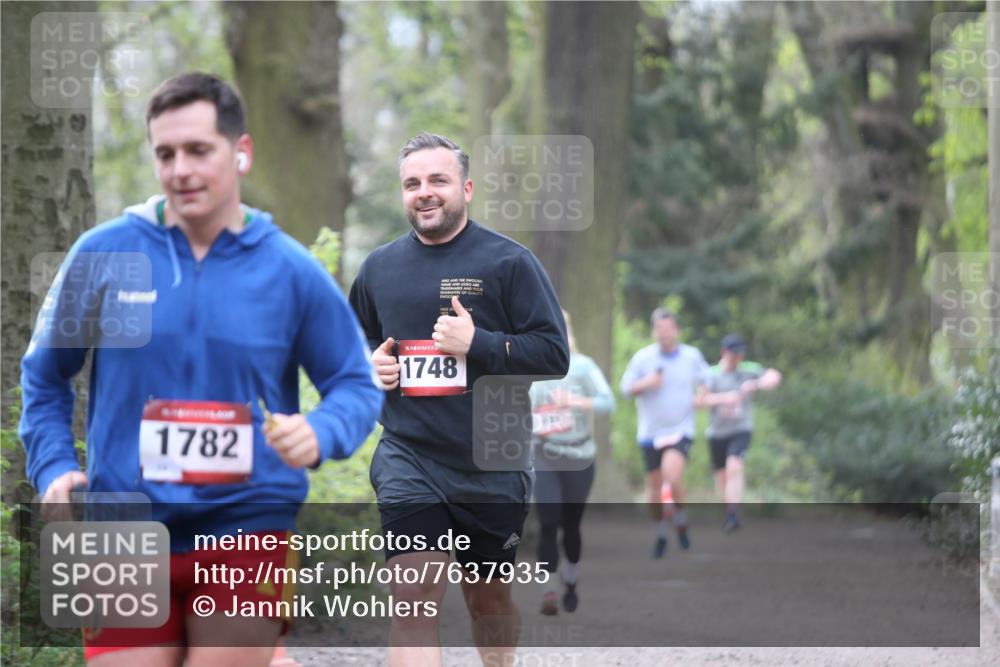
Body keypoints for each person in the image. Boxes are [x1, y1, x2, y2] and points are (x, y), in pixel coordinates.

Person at [19, 72, 383, 667]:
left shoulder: (289, 269)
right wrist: (54, 464)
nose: (180, 170)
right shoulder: (105, 254)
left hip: (248, 525)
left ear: (241, 153)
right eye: (165, 154)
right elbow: (44, 375)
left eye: (197, 150)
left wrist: (322, 430)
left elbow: (355, 382)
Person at [348, 132, 569, 667]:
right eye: (412, 183)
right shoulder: (379, 268)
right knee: (413, 595)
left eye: (437, 180)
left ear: (466, 189)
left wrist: (480, 343)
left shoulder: (509, 262)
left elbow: (553, 354)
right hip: (409, 455)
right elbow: (349, 343)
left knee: (487, 600)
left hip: (492, 462)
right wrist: (368, 365)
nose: (424, 192)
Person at [530, 310, 614, 616]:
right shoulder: (532, 367)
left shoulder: (583, 366)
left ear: (566, 331)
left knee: (571, 526)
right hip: (545, 453)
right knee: (548, 521)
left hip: (579, 456)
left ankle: (571, 577)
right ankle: (549, 589)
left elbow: (608, 402)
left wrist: (574, 402)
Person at [619, 308, 708, 559]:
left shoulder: (691, 356)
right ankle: (661, 532)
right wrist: (647, 383)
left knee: (673, 474)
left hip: (680, 429)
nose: (664, 334)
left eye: (668, 329)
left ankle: (680, 519)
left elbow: (706, 379)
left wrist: (702, 394)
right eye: (659, 329)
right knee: (654, 490)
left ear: (677, 330)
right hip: (650, 433)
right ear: (653, 332)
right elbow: (625, 388)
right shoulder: (643, 359)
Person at [694, 334, 782, 532]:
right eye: (734, 354)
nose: (737, 359)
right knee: (721, 476)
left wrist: (756, 384)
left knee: (735, 466)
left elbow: (774, 376)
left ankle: (733, 514)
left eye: (740, 354)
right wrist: (724, 398)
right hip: (717, 432)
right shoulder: (711, 373)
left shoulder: (748, 369)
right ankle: (728, 511)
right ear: (724, 353)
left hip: (741, 429)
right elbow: (699, 401)